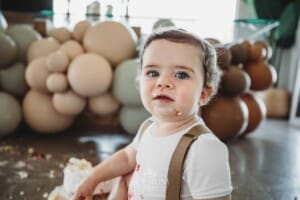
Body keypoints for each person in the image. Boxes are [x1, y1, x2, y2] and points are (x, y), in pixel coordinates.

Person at [73, 27, 232, 200]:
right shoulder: (149, 127)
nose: (163, 82)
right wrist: (92, 179)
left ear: (204, 94)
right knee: (125, 177)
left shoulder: (203, 149)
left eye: (181, 74)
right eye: (153, 73)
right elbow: (128, 157)